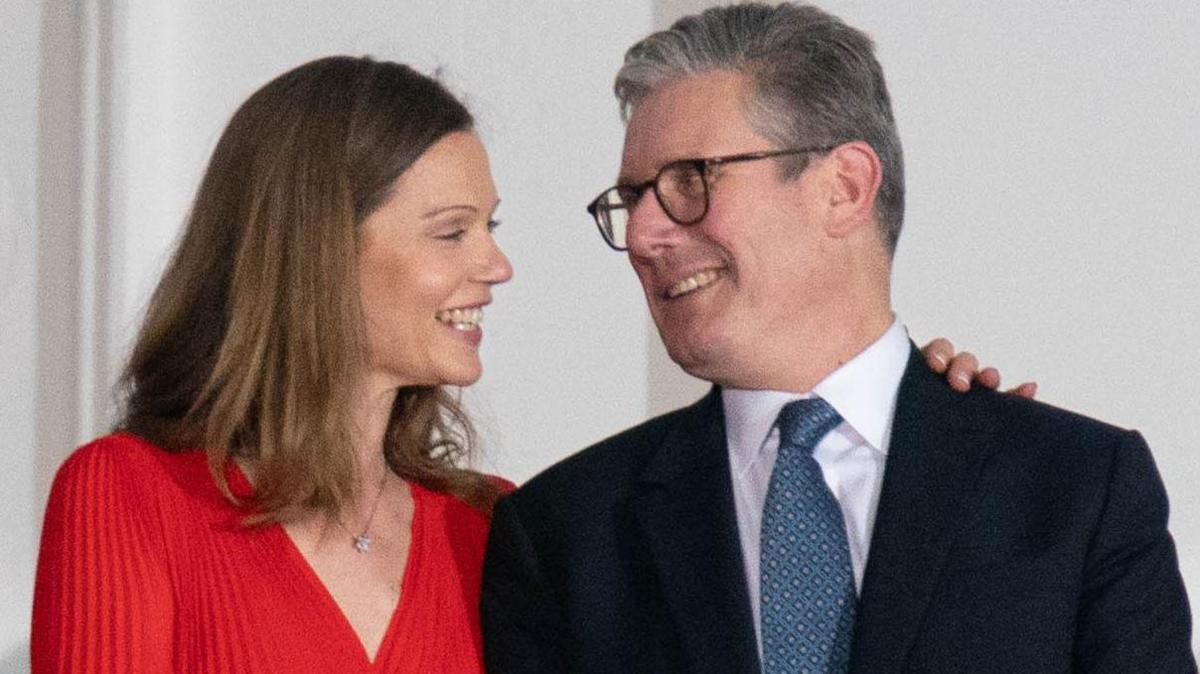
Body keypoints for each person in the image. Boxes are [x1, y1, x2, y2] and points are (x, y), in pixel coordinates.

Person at [480, 4, 1195, 673]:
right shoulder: (566, 535)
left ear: (845, 187)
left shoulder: (1074, 489)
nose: (643, 235)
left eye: (689, 181)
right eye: (633, 200)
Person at [32, 56, 513, 672]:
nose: (498, 266)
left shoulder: (492, 529)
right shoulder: (127, 496)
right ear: (320, 248)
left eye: (490, 226)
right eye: (452, 233)